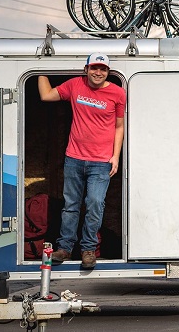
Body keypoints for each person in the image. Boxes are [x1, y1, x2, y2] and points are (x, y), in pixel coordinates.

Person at [36, 53, 126, 270]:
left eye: (103, 69)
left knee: (95, 203)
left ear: (108, 72)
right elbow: (46, 96)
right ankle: (64, 248)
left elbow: (119, 126)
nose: (98, 72)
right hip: (74, 158)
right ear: (86, 69)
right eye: (94, 68)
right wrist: (39, 66)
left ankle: (88, 249)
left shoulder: (117, 93)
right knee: (71, 205)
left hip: (101, 161)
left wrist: (116, 156)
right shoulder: (75, 85)